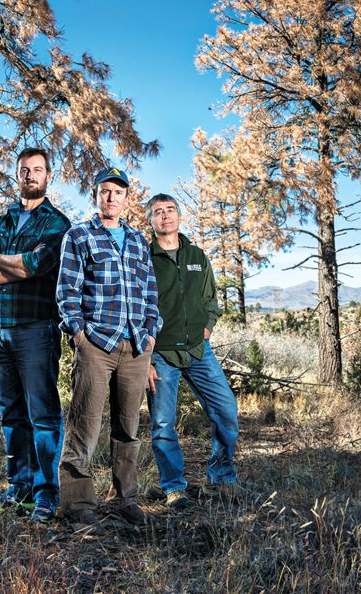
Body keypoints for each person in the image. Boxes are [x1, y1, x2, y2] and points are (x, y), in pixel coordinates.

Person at [56, 166, 161, 529]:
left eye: (118, 192)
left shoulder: (137, 241)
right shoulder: (79, 236)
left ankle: (125, 498)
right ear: (96, 195)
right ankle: (78, 504)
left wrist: (149, 334)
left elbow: (150, 293)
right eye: (105, 191)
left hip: (135, 346)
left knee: (128, 427)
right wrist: (78, 334)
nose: (112, 197)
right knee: (85, 425)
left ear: (127, 198)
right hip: (96, 345)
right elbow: (67, 291)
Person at [0, 147, 71, 523]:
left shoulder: (57, 225)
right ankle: (20, 488)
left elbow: (36, 266)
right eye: (24, 170)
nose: (30, 175)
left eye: (38, 170)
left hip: (35, 330)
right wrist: (11, 265)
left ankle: (46, 494)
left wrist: (8, 263)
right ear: (17, 176)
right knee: (11, 414)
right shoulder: (1, 222)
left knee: (42, 415)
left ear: (48, 177)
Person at [145, 193, 240, 509]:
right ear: (151, 220)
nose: (165, 216)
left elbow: (212, 299)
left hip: (200, 351)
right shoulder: (145, 259)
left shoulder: (197, 255)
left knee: (226, 410)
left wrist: (208, 327)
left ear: (179, 216)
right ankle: (174, 487)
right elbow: (138, 309)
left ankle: (222, 476)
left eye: (170, 210)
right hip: (162, 354)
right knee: (162, 425)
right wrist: (145, 357)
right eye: (158, 212)